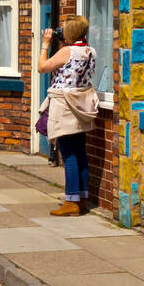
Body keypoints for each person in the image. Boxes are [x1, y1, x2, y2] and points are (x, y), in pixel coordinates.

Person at [36, 16, 100, 216]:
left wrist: (45, 45)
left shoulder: (67, 51)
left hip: (64, 105)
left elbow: (42, 68)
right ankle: (81, 198)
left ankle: (71, 200)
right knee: (80, 152)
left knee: (68, 153)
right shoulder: (91, 51)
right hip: (81, 104)